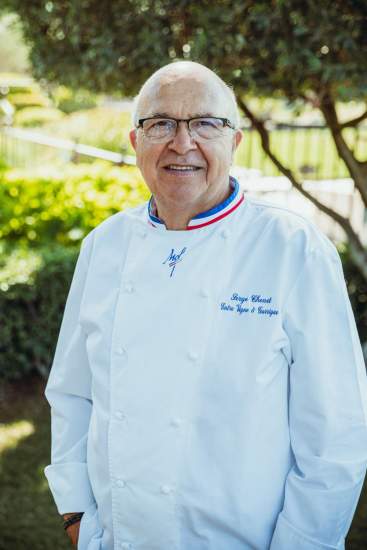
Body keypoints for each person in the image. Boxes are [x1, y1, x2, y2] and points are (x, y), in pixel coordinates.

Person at [44, 61, 367, 550]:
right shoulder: (103, 246)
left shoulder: (293, 248)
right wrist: (76, 516)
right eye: (161, 124)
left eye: (205, 124)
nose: (182, 142)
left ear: (234, 142)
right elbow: (71, 394)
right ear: (136, 144)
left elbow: (336, 434)